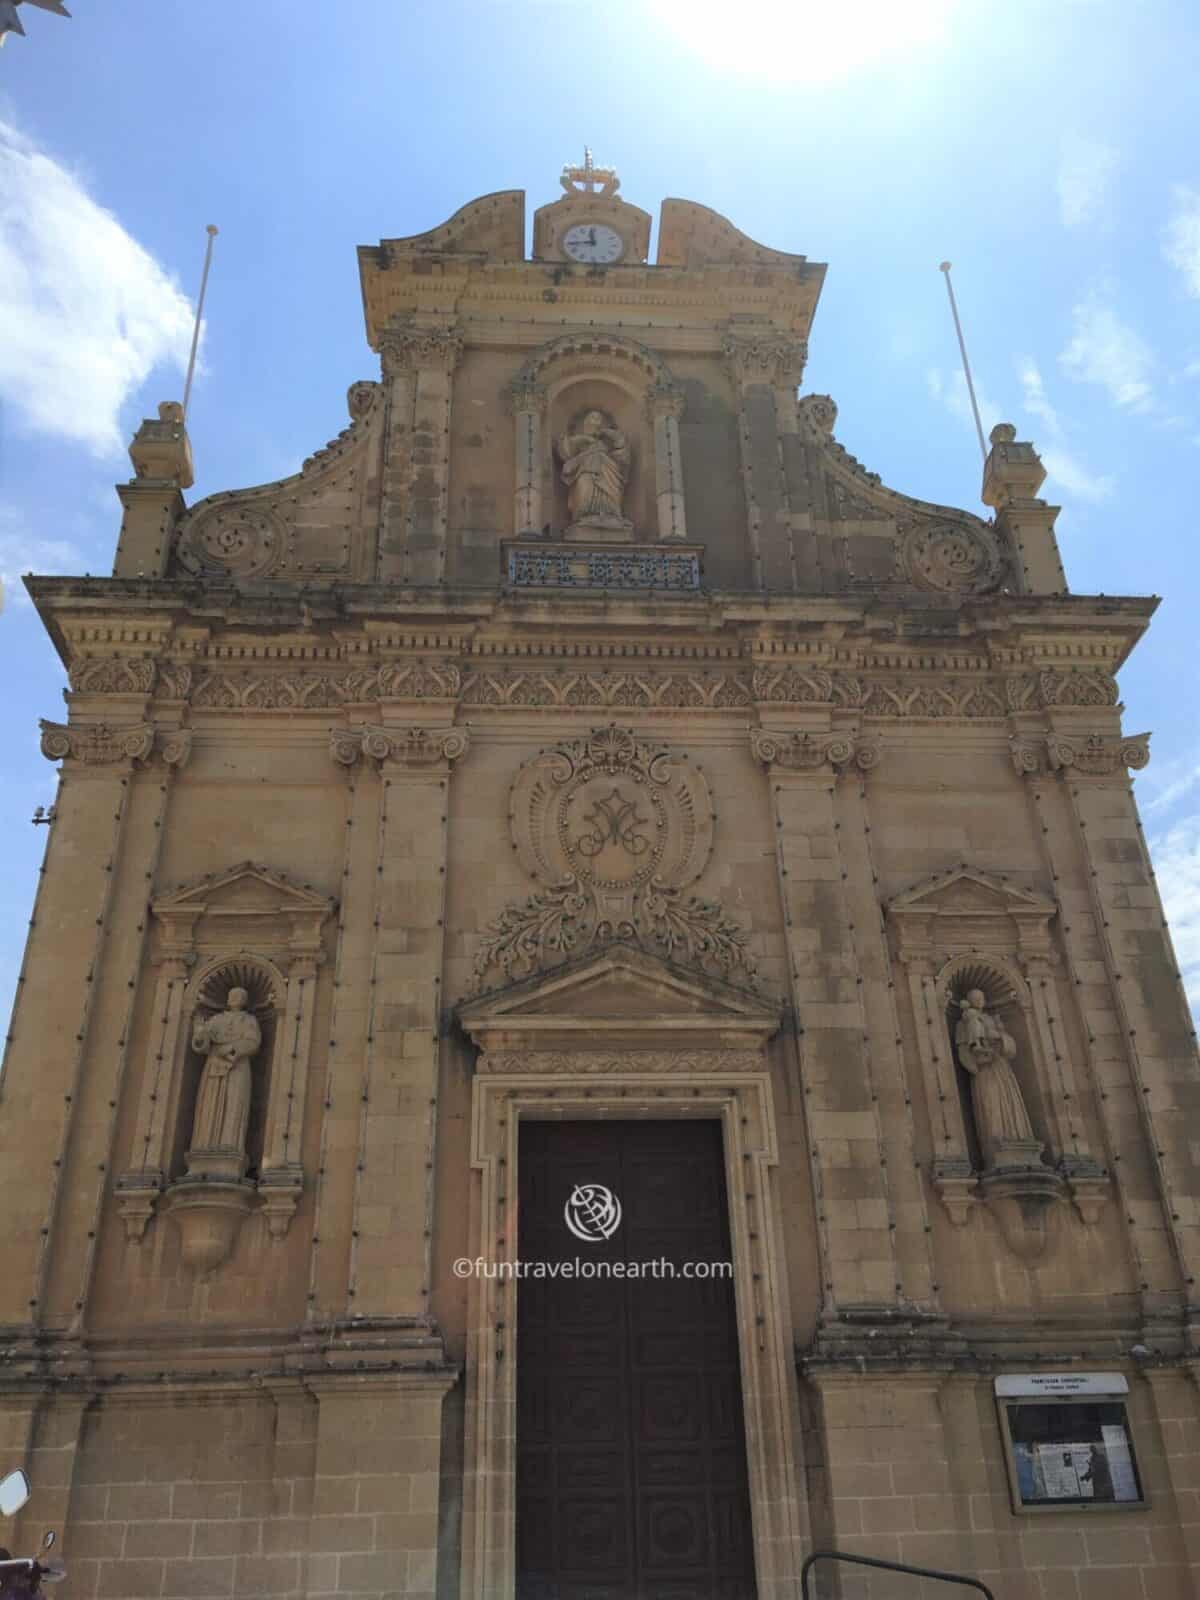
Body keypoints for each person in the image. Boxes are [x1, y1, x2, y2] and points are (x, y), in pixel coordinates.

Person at [190, 986, 260, 1157]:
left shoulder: (249, 1020)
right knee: (209, 1102)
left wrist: (230, 1049)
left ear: (244, 1000)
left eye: (239, 995)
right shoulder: (215, 1020)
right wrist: (200, 1035)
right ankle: (204, 1144)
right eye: (232, 995)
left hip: (237, 1066)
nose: (235, 998)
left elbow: (253, 1042)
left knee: (234, 1103)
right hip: (213, 1066)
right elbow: (202, 1043)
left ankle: (230, 1145)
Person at [557, 410, 630, 526]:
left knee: (610, 495)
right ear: (586, 423)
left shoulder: (605, 442)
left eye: (599, 419)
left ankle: (610, 517)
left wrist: (607, 433)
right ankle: (583, 517)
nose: (596, 422)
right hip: (585, 471)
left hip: (606, 472)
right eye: (593, 418)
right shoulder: (578, 440)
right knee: (584, 491)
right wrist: (583, 438)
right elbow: (566, 451)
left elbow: (622, 451)